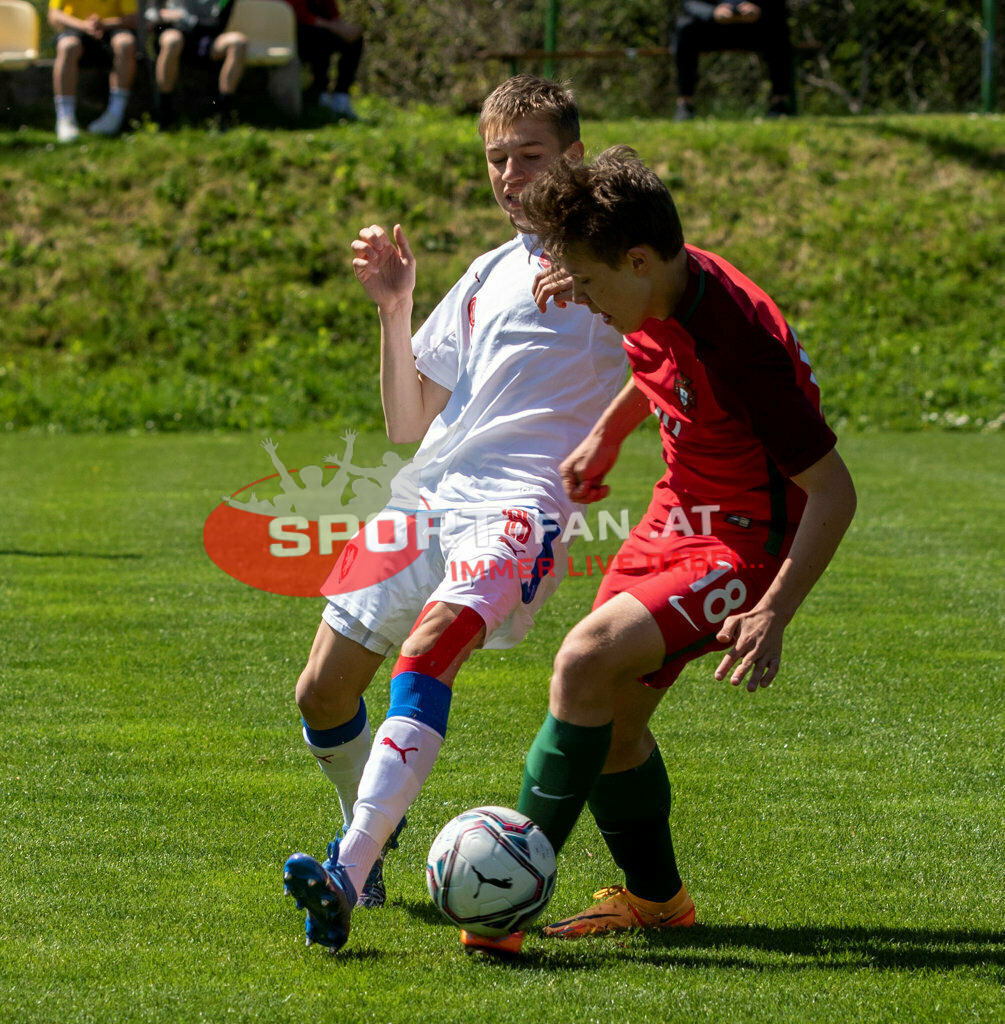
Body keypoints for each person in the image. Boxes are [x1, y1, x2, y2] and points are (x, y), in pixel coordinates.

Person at [280, 75, 628, 954]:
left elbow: (671, 357)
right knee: (320, 690)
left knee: (429, 647)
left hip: (519, 505)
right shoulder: (484, 271)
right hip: (430, 494)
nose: (510, 175)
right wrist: (395, 308)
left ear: (574, 158)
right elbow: (408, 422)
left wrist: (589, 274)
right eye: (495, 160)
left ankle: (345, 871)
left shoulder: (619, 261)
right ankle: (376, 830)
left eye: (530, 156)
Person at [505, 146, 856, 947]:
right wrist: (604, 434)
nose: (583, 299)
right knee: (611, 717)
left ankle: (506, 892)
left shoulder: (740, 348)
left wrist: (773, 612)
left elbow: (834, 492)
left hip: (747, 541)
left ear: (635, 260)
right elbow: (661, 357)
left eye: (589, 283)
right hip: (679, 514)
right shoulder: (659, 277)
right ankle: (658, 903)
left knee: (582, 661)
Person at [672, 1, 794, 120]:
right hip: (713, 27)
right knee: (684, 27)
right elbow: (689, 3)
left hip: (755, 27)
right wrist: (712, 13)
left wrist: (759, 10)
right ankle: (685, 103)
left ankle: (780, 103)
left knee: (779, 28)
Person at [145, 0, 248, 129]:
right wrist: (160, 16)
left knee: (238, 42)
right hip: (177, 34)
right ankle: (163, 112)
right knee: (172, 41)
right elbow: (151, 12)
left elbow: (217, 24)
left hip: (207, 39)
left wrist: (185, 18)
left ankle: (223, 112)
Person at [47, 0, 139, 142]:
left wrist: (104, 24)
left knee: (125, 44)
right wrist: (83, 25)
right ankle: (65, 117)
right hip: (76, 27)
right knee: (67, 46)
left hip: (112, 28)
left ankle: (115, 114)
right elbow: (54, 15)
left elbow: (133, 18)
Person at [284, 0, 363, 121]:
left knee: (354, 41)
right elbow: (300, 15)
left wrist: (346, 29)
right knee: (321, 38)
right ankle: (321, 94)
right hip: (293, 35)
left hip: (320, 31)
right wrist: (334, 28)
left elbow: (333, 15)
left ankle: (341, 97)